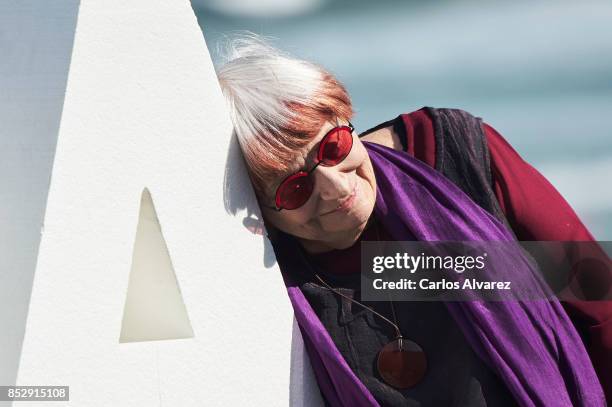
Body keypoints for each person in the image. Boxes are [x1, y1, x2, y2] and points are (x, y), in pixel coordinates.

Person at [217, 35, 610, 406]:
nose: (336, 188)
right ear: (257, 208)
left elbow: (597, 300)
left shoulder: (448, 153)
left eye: (333, 147)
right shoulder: (265, 281)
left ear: (342, 114)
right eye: (295, 189)